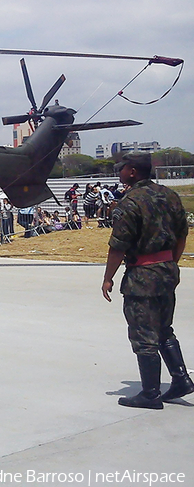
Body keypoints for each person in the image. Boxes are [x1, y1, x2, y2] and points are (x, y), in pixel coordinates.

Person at [101, 151, 192, 409]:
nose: (119, 172)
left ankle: (150, 393)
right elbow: (183, 233)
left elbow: (118, 246)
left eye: (122, 168)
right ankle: (180, 378)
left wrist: (108, 277)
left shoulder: (130, 203)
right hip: (166, 271)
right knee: (164, 329)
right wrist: (171, 262)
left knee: (143, 334)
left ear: (132, 171)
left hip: (142, 276)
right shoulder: (168, 195)